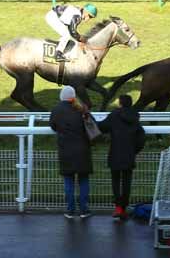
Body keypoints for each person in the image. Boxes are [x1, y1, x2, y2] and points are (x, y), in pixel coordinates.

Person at [98, 94, 145, 220]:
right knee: (126, 182)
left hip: (115, 154)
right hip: (129, 156)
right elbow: (141, 137)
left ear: (120, 103)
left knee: (116, 181)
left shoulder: (115, 115)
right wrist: (134, 150)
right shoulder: (135, 117)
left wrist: (88, 116)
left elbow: (102, 127)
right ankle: (123, 207)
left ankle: (118, 208)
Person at [49, 85, 93, 219]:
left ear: (62, 96)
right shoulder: (81, 108)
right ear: (73, 96)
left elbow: (53, 126)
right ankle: (84, 210)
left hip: (66, 151)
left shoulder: (56, 110)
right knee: (83, 181)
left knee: (68, 182)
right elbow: (92, 126)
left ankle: (70, 210)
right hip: (83, 150)